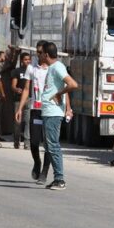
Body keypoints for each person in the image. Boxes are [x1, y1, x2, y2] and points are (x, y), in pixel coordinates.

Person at [34, 42, 77, 189]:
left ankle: (60, 179)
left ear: (46, 54)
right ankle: (56, 178)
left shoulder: (57, 67)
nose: (40, 56)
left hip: (53, 113)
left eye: (41, 53)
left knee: (53, 146)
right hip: (48, 112)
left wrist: (59, 94)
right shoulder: (53, 68)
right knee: (49, 145)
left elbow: (72, 84)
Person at [15, 41, 54, 182]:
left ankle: (44, 171)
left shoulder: (53, 68)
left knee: (49, 143)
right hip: (36, 110)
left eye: (39, 52)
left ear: (45, 54)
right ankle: (37, 162)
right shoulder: (32, 68)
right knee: (34, 142)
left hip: (50, 111)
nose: (37, 55)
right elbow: (26, 89)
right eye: (36, 52)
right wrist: (20, 108)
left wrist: (67, 108)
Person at [10, 51, 32, 149]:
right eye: (25, 59)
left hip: (29, 99)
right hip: (18, 100)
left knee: (27, 121)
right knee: (17, 121)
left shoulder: (32, 71)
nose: (27, 61)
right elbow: (13, 86)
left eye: (29, 59)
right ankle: (16, 140)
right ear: (21, 61)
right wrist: (16, 89)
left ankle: (27, 142)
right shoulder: (17, 71)